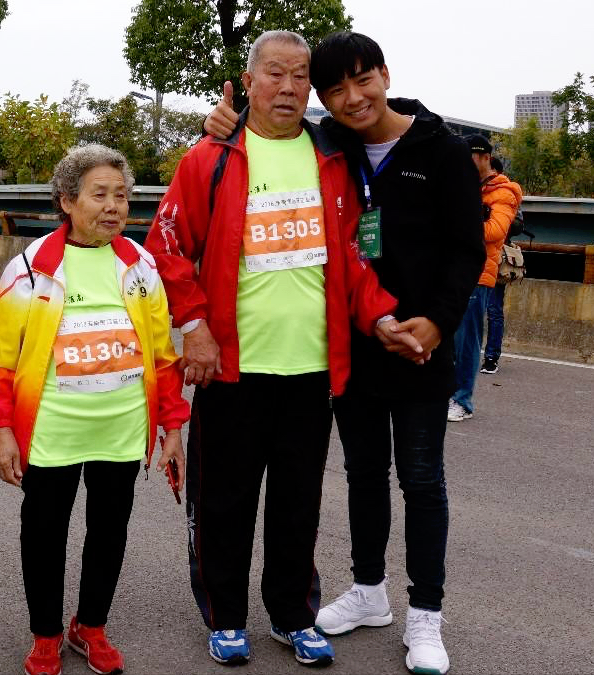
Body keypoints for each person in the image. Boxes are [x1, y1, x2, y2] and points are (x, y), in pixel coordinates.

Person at [201, 31, 485, 675]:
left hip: (418, 345)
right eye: (334, 88)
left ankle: (425, 616)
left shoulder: (440, 150)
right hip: (352, 349)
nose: (350, 98)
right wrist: (226, 123)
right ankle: (367, 593)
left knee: (421, 481)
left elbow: (469, 250)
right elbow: (263, 134)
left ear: (384, 74)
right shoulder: (333, 143)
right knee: (361, 478)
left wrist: (437, 324)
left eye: (362, 81)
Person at [146, 29, 416, 669]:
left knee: (298, 502)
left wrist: (379, 318)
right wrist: (196, 326)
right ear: (248, 82)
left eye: (300, 76)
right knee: (225, 501)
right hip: (232, 369)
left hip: (311, 369)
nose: (289, 87)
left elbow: (350, 261)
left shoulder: (332, 158)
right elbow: (168, 247)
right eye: (274, 74)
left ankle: (293, 616)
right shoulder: (208, 160)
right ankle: (226, 617)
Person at [0, 145, 190, 675]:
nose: (113, 206)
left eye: (121, 195)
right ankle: (46, 636)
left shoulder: (141, 265)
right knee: (44, 532)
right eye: (99, 194)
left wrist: (172, 426)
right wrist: (2, 430)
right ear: (66, 201)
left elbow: (163, 355)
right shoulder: (30, 270)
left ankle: (90, 627)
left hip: (122, 429)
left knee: (110, 529)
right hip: (52, 429)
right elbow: (1, 362)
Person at [447, 135, 520, 421]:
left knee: (467, 341)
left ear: (485, 157)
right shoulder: (463, 185)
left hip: (478, 274)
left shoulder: (504, 191)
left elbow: (495, 231)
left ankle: (462, 401)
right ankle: (447, 395)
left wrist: (457, 223)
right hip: (452, 270)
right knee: (449, 339)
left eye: (470, 158)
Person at [480, 156, 516, 376]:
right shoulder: (476, 190)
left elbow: (500, 229)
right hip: (475, 260)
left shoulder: (505, 193)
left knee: (493, 310)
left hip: (496, 258)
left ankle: (491, 356)